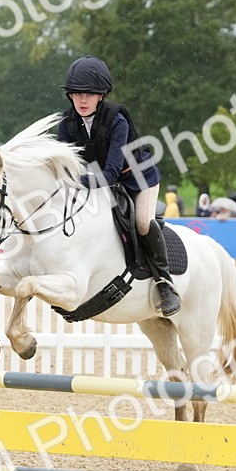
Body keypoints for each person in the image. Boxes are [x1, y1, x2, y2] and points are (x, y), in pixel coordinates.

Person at [54, 55, 180, 316]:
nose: (83, 100)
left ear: (102, 96)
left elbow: (111, 173)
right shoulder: (67, 124)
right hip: (101, 181)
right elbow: (62, 165)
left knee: (143, 221)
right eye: (77, 94)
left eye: (90, 94)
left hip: (137, 178)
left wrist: (75, 180)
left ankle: (164, 283)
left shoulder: (116, 121)